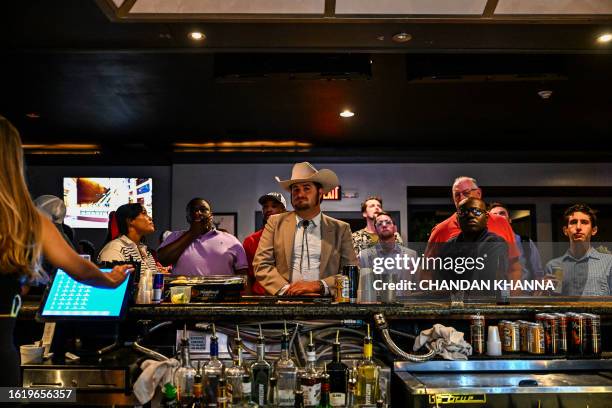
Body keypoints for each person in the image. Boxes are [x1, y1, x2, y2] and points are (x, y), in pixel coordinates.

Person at [0, 116, 130, 386]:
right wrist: (112, 280)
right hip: (1, 367)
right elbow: (81, 270)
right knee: (61, 394)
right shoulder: (29, 221)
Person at [254, 162, 357, 296]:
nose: (300, 194)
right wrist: (288, 291)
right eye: (295, 189)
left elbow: (351, 272)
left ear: (320, 193)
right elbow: (261, 264)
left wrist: (319, 286)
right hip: (283, 306)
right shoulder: (275, 222)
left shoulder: (340, 229)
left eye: (306, 188)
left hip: (327, 309)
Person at [426, 176, 520, 281]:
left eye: (466, 193)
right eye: (457, 195)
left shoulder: (500, 223)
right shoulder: (441, 230)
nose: (461, 198)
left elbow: (514, 267)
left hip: (496, 294)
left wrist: (513, 295)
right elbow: (427, 271)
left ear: (478, 193)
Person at [436, 197, 509, 298]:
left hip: (487, 306)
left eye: (477, 212)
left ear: (486, 217)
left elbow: (485, 284)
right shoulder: (448, 245)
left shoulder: (495, 242)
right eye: (463, 212)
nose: (470, 215)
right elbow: (440, 283)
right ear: (457, 219)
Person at [158, 198, 248, 277]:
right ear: (187, 218)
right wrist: (193, 233)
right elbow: (162, 259)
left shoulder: (231, 240)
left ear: (211, 216)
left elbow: (244, 276)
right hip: (184, 295)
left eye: (203, 210)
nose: (198, 213)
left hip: (223, 295)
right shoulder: (174, 236)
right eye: (193, 210)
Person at [545, 204, 612, 296]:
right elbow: (551, 304)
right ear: (565, 230)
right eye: (573, 222)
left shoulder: (609, 263)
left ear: (594, 230)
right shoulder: (552, 266)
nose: (578, 227)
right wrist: (543, 293)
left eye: (584, 222)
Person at [359, 212, 418, 298]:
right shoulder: (364, 256)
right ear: (375, 230)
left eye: (388, 222)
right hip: (375, 306)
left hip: (404, 307)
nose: (384, 225)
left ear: (395, 228)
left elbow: (417, 286)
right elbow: (362, 288)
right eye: (379, 224)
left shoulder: (411, 255)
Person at [98, 203, 162, 276]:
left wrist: (160, 272)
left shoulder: (145, 249)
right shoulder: (114, 249)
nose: (150, 218)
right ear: (130, 220)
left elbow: (151, 281)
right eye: (144, 213)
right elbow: (110, 281)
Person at [243, 192, 287, 295]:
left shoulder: (294, 237)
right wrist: (248, 301)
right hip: (260, 297)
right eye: (265, 207)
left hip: (289, 295)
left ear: (284, 211)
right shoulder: (251, 240)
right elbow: (248, 275)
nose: (269, 209)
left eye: (274, 206)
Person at [488, 202, 544, 280]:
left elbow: (538, 273)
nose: (498, 217)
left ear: (509, 220)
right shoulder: (484, 244)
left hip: (523, 290)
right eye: (494, 215)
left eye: (502, 213)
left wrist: (537, 289)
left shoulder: (525, 242)